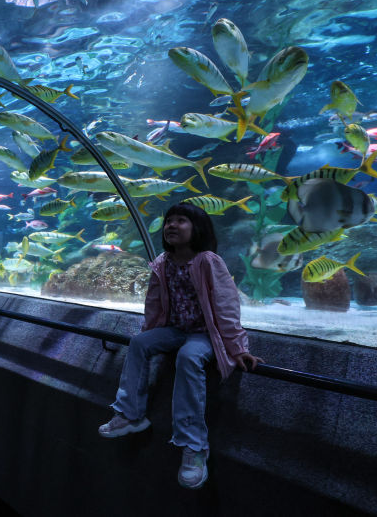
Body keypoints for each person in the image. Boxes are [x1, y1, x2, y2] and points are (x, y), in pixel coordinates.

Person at [97, 202, 263, 490]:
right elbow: (154, 302)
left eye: (181, 220)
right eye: (169, 220)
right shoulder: (163, 262)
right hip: (174, 329)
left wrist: (237, 348)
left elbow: (226, 305)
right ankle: (130, 415)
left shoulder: (208, 261)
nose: (172, 225)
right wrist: (150, 332)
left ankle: (194, 446)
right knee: (139, 342)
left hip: (205, 334)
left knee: (188, 356)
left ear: (198, 228)